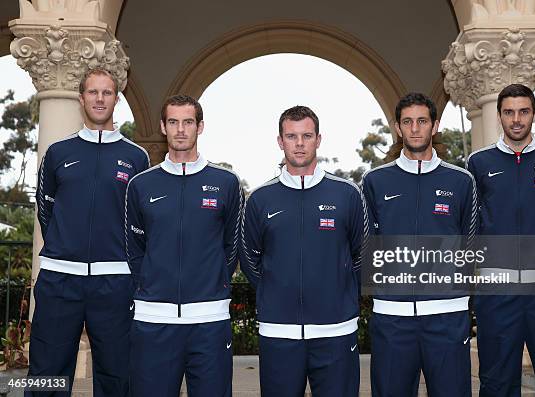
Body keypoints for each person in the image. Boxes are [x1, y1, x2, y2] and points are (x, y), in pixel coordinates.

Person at [30, 67, 150, 396]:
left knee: (117, 375)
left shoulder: (136, 157)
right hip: (59, 280)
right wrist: (65, 249)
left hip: (114, 283)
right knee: (46, 374)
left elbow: (142, 222)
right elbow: (46, 209)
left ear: (116, 99)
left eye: (107, 92)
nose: (100, 99)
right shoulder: (58, 153)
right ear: (82, 98)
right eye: (93, 92)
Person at [240, 106, 368, 397]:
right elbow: (249, 257)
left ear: (318, 139)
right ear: (280, 141)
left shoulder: (347, 193)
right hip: (278, 333)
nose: (299, 143)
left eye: (306, 136)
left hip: (336, 331)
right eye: (292, 136)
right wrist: (276, 289)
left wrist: (339, 292)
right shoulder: (260, 198)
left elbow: (362, 254)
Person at [125, 94, 242, 397]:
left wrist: (212, 284)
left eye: (187, 122)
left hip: (209, 321)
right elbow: (134, 248)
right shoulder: (140, 185)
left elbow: (231, 246)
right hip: (154, 321)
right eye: (173, 122)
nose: (180, 130)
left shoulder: (227, 183)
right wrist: (153, 288)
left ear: (200, 127)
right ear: (163, 127)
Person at [361, 92, 477, 397]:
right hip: (392, 319)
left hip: (448, 317)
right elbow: (365, 248)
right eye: (407, 122)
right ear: (398, 128)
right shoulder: (375, 181)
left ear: (435, 125)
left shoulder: (461, 181)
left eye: (422, 121)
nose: (415, 128)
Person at [466, 83, 535, 396]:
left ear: (534, 114)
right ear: (500, 116)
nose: (516, 119)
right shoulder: (478, 163)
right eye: (509, 112)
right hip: (497, 295)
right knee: (497, 384)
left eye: (523, 111)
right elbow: (472, 229)